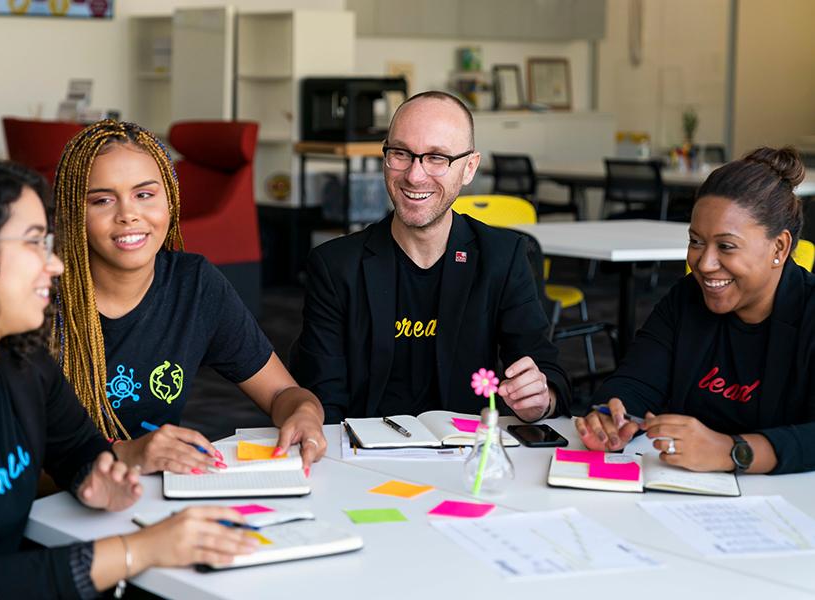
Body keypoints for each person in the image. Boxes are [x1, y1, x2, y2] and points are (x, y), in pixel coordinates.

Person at [0, 157, 259, 598]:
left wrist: (92, 478)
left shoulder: (20, 356)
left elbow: (76, 447)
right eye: (34, 243)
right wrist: (139, 550)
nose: (55, 265)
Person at [53, 120, 326, 474]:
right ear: (74, 213)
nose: (128, 214)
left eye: (145, 194)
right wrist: (128, 455)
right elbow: (10, 463)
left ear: (170, 198)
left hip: (154, 498)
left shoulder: (193, 284)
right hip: (56, 509)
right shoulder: (40, 300)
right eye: (102, 200)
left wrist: (304, 414)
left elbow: (280, 394)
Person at [290, 91, 570, 424]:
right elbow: (322, 400)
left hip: (468, 458)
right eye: (400, 153)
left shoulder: (502, 257)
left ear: (469, 168)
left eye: (436, 158)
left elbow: (546, 371)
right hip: (364, 458)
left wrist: (542, 398)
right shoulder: (336, 267)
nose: (414, 175)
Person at [576, 147, 815, 475]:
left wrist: (732, 451)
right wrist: (613, 414)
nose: (704, 264)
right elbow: (635, 381)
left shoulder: (809, 312)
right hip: (685, 493)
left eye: (726, 246)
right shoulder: (686, 300)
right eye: (696, 241)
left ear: (779, 247)